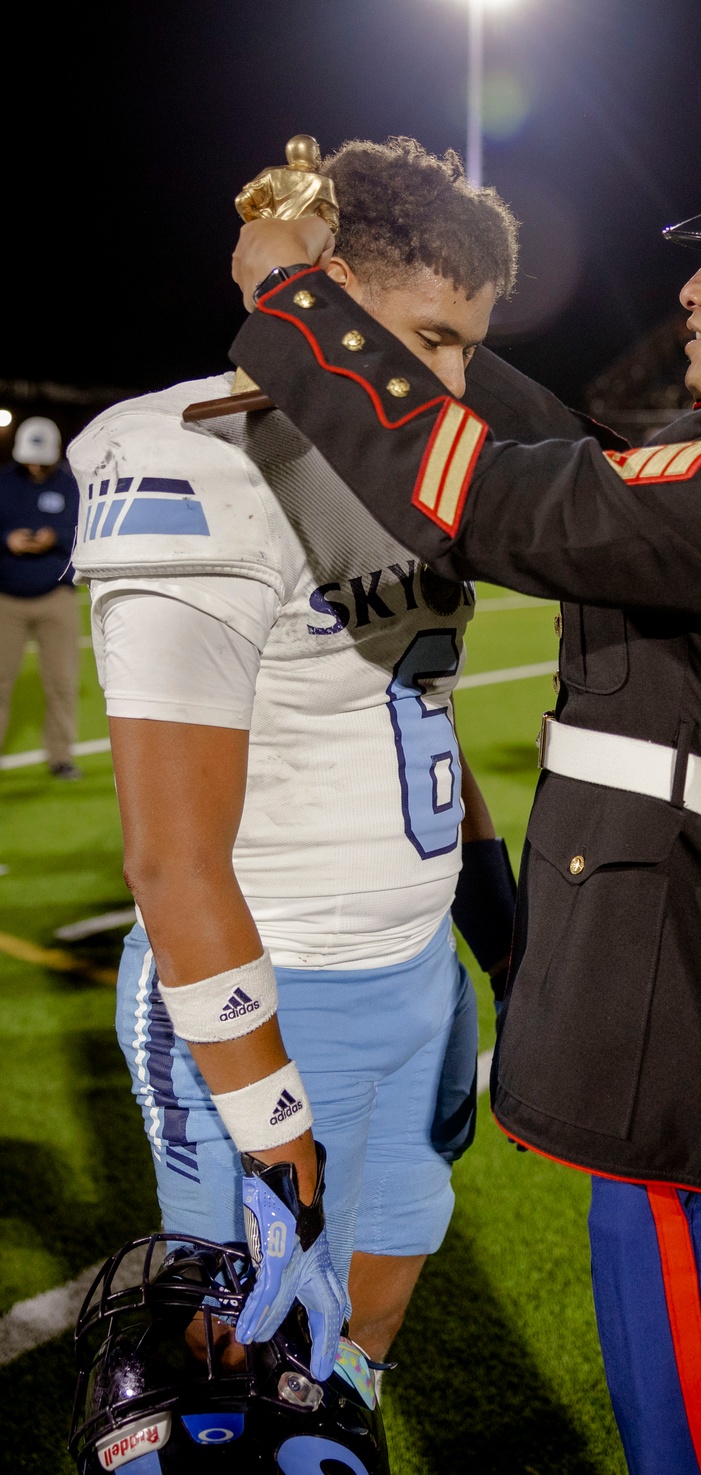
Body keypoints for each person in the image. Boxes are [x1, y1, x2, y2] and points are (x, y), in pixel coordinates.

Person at [227, 83, 701, 1473]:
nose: (689, 289)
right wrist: (409, 318)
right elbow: (583, 453)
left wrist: (302, 306)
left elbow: (500, 495)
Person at [67, 137, 541, 1391]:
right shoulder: (194, 454)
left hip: (414, 974)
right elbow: (169, 854)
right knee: (238, 1367)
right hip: (275, 988)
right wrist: (275, 1127)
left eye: (467, 346)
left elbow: (417, 703)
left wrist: (498, 934)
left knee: (359, 1338)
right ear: (324, 296)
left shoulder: (406, 471)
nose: (455, 376)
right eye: (433, 337)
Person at [0, 415, 81, 777]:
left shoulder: (70, 485)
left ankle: (60, 756)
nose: (34, 465)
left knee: (62, 682)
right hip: (6, 600)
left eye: (41, 459)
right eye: (28, 458)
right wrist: (6, 540)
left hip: (56, 598)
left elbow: (84, 531)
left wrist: (56, 537)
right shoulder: (2, 482)